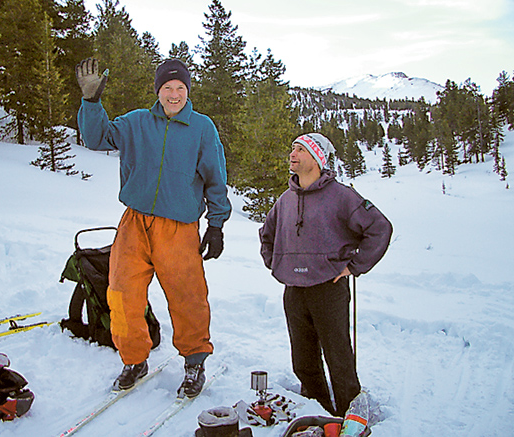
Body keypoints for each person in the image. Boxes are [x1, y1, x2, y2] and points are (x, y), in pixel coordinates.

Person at [75, 58, 232, 398]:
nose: (174, 94)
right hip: (134, 223)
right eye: (167, 88)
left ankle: (194, 363)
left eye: (180, 88)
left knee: (188, 298)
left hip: (179, 228)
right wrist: (91, 102)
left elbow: (216, 178)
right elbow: (96, 138)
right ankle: (134, 359)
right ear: (157, 91)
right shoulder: (136, 122)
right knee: (121, 294)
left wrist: (216, 225)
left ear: (187, 91)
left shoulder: (202, 128)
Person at [259, 133, 392, 417]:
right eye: (292, 147)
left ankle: (349, 414)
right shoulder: (285, 200)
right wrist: (276, 264)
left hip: (328, 288)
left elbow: (379, 228)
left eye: (301, 149)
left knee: (339, 358)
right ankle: (317, 410)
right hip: (294, 290)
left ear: (317, 158)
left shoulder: (342, 196)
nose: (293, 154)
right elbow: (267, 235)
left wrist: (353, 267)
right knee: (303, 361)